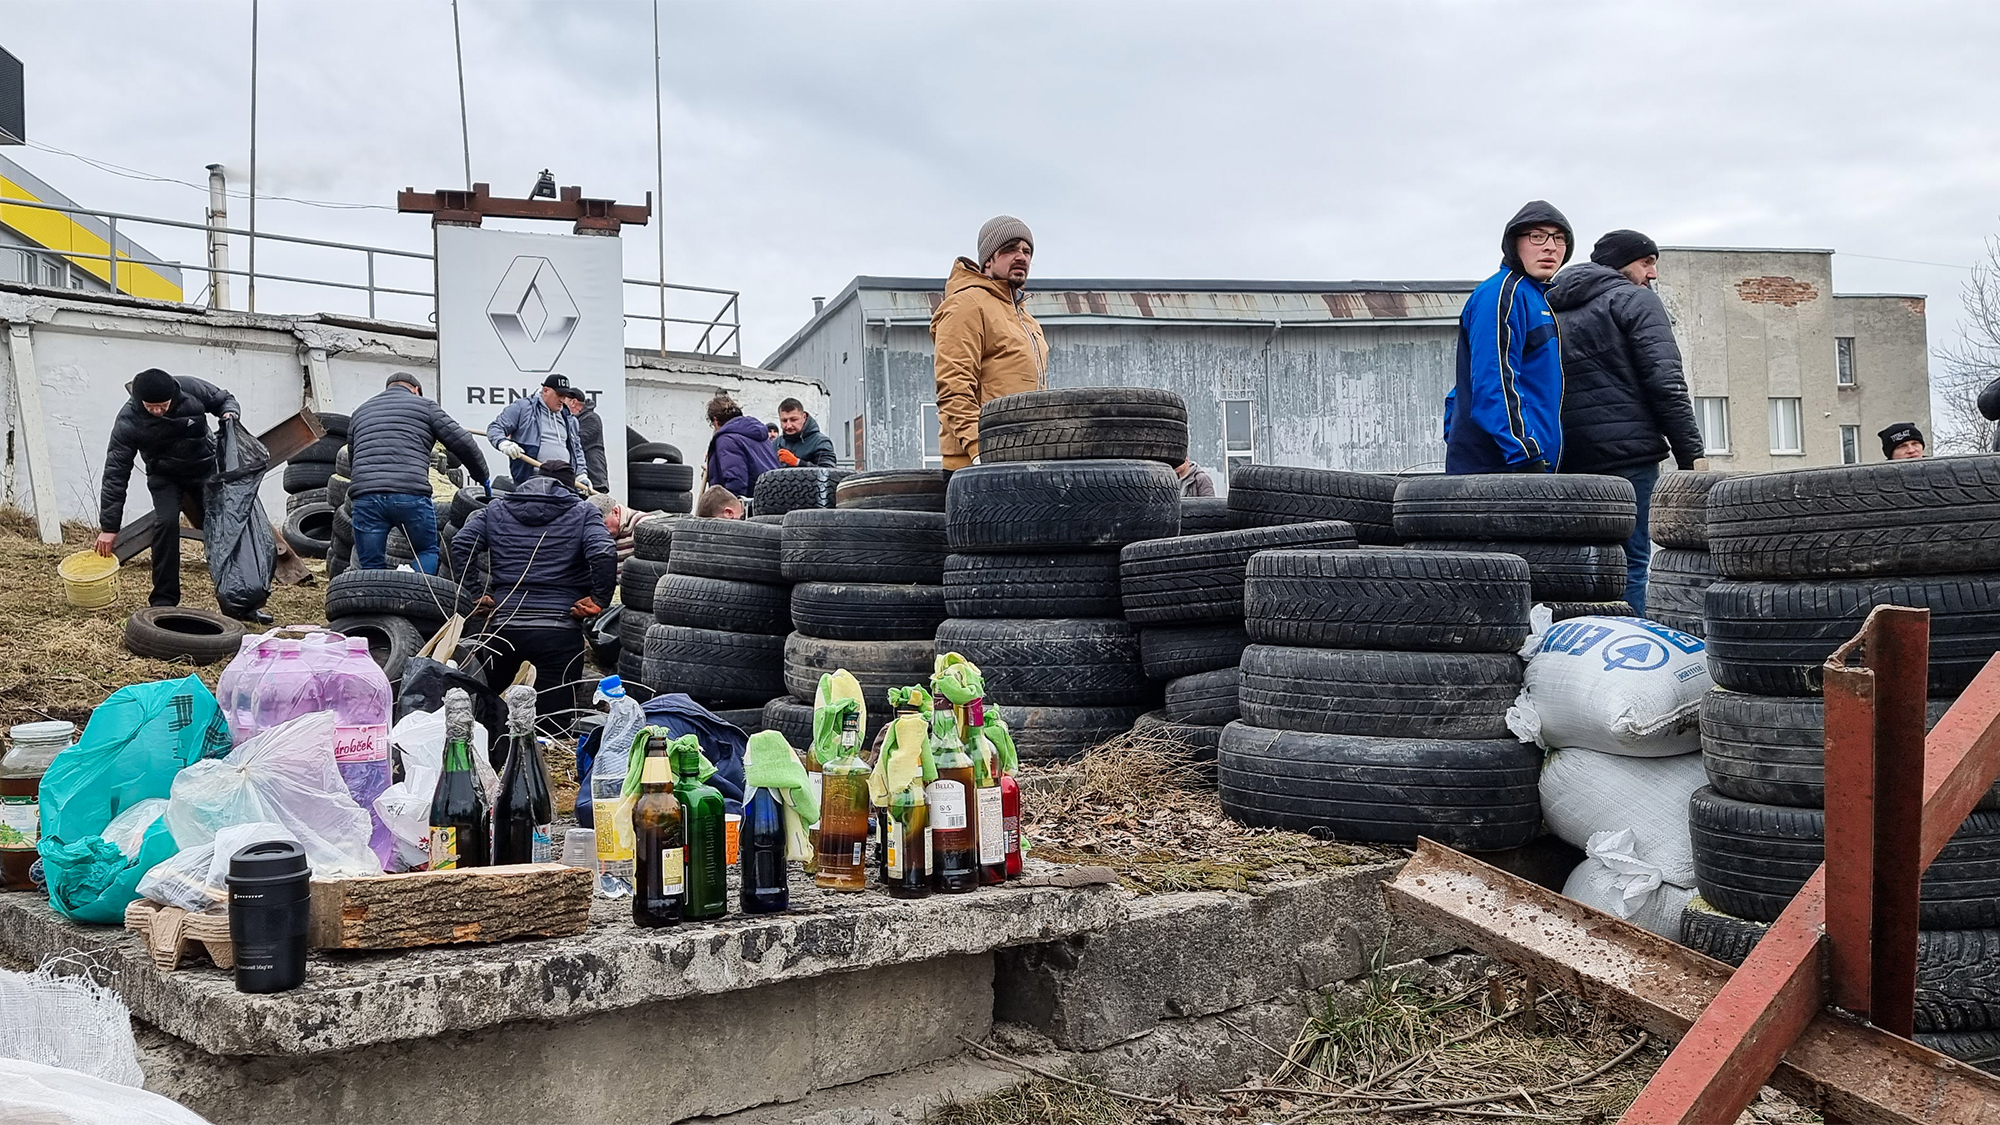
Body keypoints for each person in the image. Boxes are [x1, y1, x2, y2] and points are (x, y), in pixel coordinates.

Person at [1546, 229, 1703, 617]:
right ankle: (1629, 655)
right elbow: (1665, 381)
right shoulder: (1636, 301)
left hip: (1564, 458)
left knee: (1578, 564)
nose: (1652, 275)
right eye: (1646, 263)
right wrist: (1690, 454)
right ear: (1621, 264)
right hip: (1627, 458)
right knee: (1632, 561)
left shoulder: (1549, 307)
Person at [451, 472, 616, 731]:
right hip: (559, 631)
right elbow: (604, 551)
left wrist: (473, 594)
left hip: (503, 628)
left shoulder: (496, 509)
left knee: (496, 720)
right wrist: (599, 599)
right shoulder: (583, 511)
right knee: (553, 725)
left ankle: (498, 766)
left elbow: (461, 543)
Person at [94, 367, 255, 615]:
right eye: (151, 407)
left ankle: (239, 603)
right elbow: (116, 473)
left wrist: (230, 413)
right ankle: (163, 601)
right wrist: (109, 527)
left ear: (174, 396)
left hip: (204, 469)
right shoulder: (128, 421)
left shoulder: (191, 388)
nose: (158, 411)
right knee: (166, 524)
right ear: (140, 402)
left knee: (225, 529)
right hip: (164, 477)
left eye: (163, 405)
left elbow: (224, 399)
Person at [1444, 201, 1573, 475]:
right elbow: (1495, 378)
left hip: (1526, 467)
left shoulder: (1536, 298)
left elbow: (1460, 390)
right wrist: (1524, 452)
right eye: (1537, 236)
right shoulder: (1502, 295)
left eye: (1559, 238)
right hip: (1505, 472)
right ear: (1514, 243)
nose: (1550, 246)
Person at [932, 215, 1048, 470]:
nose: (1021, 257)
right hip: (978, 465)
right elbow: (954, 386)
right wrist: (978, 450)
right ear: (988, 260)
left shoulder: (1028, 321)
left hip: (1022, 458)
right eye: (1010, 249)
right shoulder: (967, 304)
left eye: (1027, 251)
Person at [347, 372, 490, 574]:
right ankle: (418, 595)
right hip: (410, 494)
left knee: (370, 565)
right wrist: (482, 476)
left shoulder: (360, 412)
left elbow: (353, 458)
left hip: (366, 496)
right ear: (415, 390)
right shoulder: (426, 406)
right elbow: (463, 444)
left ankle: (375, 603)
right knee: (426, 551)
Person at [487, 374, 589, 490]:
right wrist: (503, 443)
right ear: (545, 390)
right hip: (531, 483)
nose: (562, 400)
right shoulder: (523, 408)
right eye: (559, 395)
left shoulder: (570, 419)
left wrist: (581, 474)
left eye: (565, 396)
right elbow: (495, 428)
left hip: (564, 485)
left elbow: (577, 450)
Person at [702, 394, 779, 497]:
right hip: (775, 498)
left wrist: (730, 507)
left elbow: (736, 479)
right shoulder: (758, 435)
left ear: (715, 421)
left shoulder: (726, 439)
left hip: (751, 505)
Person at [560, 387, 609, 492]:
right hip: (579, 479)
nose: (561, 405)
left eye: (564, 401)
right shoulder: (573, 420)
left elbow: (577, 441)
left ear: (573, 402)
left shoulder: (591, 418)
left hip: (594, 478)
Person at [774, 398, 839, 467]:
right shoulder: (776, 444)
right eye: (784, 421)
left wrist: (798, 463)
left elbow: (828, 473)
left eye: (793, 420)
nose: (789, 425)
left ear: (804, 417)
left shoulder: (821, 443)